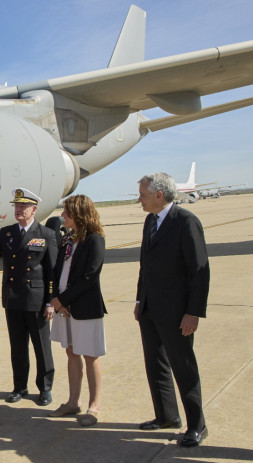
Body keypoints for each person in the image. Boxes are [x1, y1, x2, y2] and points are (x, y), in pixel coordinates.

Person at [134, 172, 210, 448]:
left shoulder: (186, 222)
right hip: (151, 308)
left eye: (142, 194)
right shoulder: (150, 220)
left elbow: (199, 272)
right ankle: (166, 416)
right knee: (156, 365)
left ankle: (197, 425)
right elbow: (146, 264)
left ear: (158, 195)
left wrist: (194, 312)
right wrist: (140, 300)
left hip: (178, 313)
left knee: (183, 367)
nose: (138, 199)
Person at [0, 188, 57, 407]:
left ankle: (45, 388)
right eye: (17, 206)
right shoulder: (7, 233)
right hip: (14, 299)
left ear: (34, 209)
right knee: (17, 347)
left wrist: (50, 301)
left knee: (41, 347)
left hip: (36, 301)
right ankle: (20, 387)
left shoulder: (45, 234)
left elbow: (52, 271)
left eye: (23, 206)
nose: (19, 209)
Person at [48, 195, 107, 427]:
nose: (62, 215)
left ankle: (94, 406)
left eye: (67, 212)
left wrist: (62, 300)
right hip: (64, 308)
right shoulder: (67, 240)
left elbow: (90, 277)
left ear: (80, 214)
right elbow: (56, 272)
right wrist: (56, 300)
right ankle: (73, 402)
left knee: (90, 355)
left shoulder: (95, 240)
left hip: (84, 308)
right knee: (71, 353)